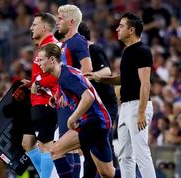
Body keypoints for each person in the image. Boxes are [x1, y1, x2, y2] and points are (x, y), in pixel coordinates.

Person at [86, 12, 156, 178]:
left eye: (121, 26)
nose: (117, 29)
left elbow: (145, 83)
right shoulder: (127, 51)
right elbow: (123, 79)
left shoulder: (143, 51)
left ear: (131, 30)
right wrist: (101, 79)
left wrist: (141, 112)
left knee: (141, 152)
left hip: (138, 105)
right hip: (125, 106)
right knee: (124, 155)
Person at [38, 43, 121, 178]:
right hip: (100, 122)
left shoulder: (65, 76)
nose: (39, 63)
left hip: (93, 122)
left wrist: (72, 118)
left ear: (52, 60)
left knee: (55, 151)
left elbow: (88, 97)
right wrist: (58, 97)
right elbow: (76, 92)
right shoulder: (65, 72)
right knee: (107, 173)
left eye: (41, 59)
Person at [12, 12, 58, 177]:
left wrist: (38, 84)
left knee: (45, 146)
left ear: (44, 27)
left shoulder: (53, 47)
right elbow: (45, 76)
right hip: (36, 102)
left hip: (47, 103)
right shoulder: (42, 48)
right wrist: (32, 83)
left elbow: (57, 75)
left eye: (34, 24)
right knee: (27, 143)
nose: (31, 28)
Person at [54, 4, 93, 177]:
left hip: (74, 102)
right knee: (69, 148)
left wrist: (71, 93)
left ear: (71, 22)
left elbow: (87, 70)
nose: (57, 21)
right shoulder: (64, 44)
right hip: (65, 100)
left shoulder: (78, 41)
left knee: (65, 147)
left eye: (60, 18)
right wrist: (59, 92)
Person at [78, 21, 119, 177]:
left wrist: (90, 76)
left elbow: (107, 71)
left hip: (106, 104)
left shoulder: (93, 49)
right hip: (92, 105)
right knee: (89, 146)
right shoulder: (78, 55)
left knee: (104, 142)